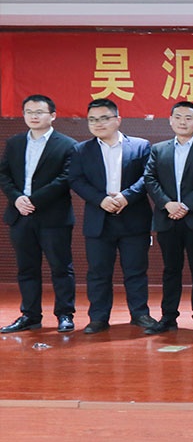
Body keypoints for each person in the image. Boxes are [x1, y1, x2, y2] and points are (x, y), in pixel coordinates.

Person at [68, 98, 154, 334]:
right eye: (92, 120)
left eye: (104, 118)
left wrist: (126, 196)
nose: (98, 123)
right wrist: (100, 199)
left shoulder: (140, 146)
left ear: (118, 120)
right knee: (98, 272)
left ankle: (140, 314)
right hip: (99, 219)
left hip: (133, 217)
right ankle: (98, 318)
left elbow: (148, 177)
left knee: (136, 271)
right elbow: (76, 179)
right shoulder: (81, 150)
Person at [0, 95, 77, 334]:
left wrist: (33, 200)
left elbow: (65, 179)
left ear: (52, 115)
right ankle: (30, 315)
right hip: (20, 215)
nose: (33, 116)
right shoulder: (14, 143)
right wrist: (17, 198)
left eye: (39, 112)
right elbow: (4, 175)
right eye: (29, 112)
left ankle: (65, 314)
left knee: (61, 267)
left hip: (54, 217)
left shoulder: (67, 144)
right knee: (26, 268)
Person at [142, 101, 193, 335]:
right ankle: (168, 316)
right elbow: (150, 179)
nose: (182, 122)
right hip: (167, 217)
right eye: (178, 117)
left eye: (188, 118)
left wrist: (186, 205)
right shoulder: (158, 149)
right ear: (170, 120)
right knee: (170, 269)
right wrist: (167, 204)